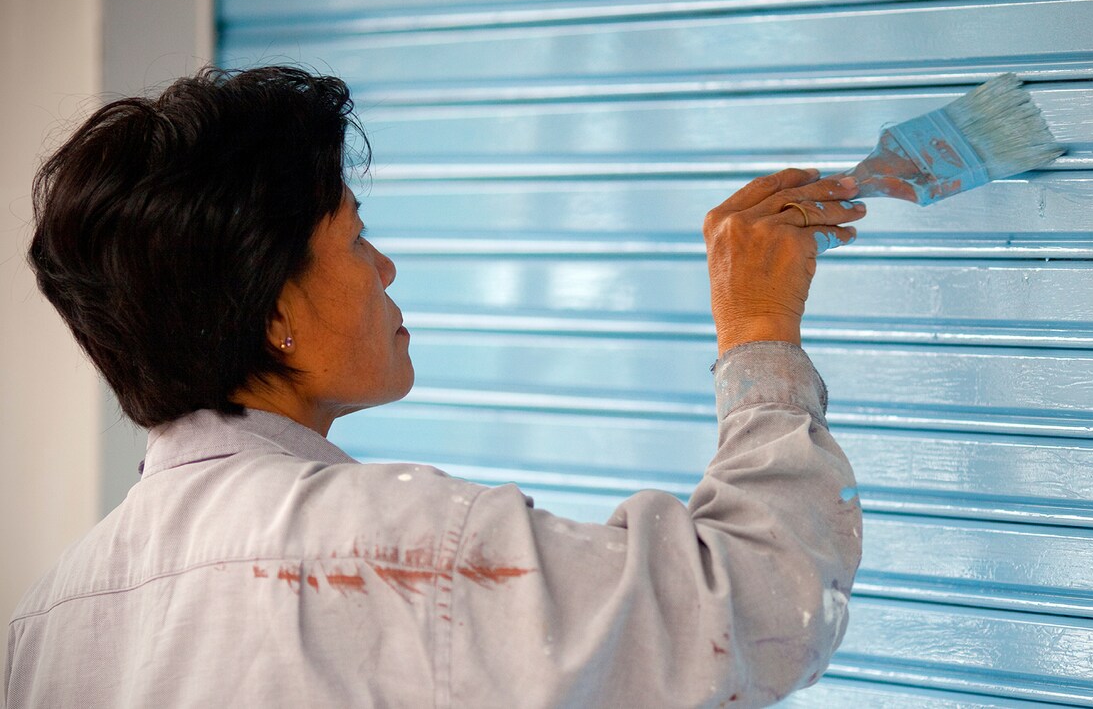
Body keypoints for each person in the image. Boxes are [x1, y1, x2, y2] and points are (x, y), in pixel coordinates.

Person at [5, 66, 866, 707]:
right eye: (355, 238)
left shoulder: (45, 624)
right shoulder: (397, 550)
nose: (384, 267)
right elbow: (758, 606)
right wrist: (758, 332)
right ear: (273, 314)